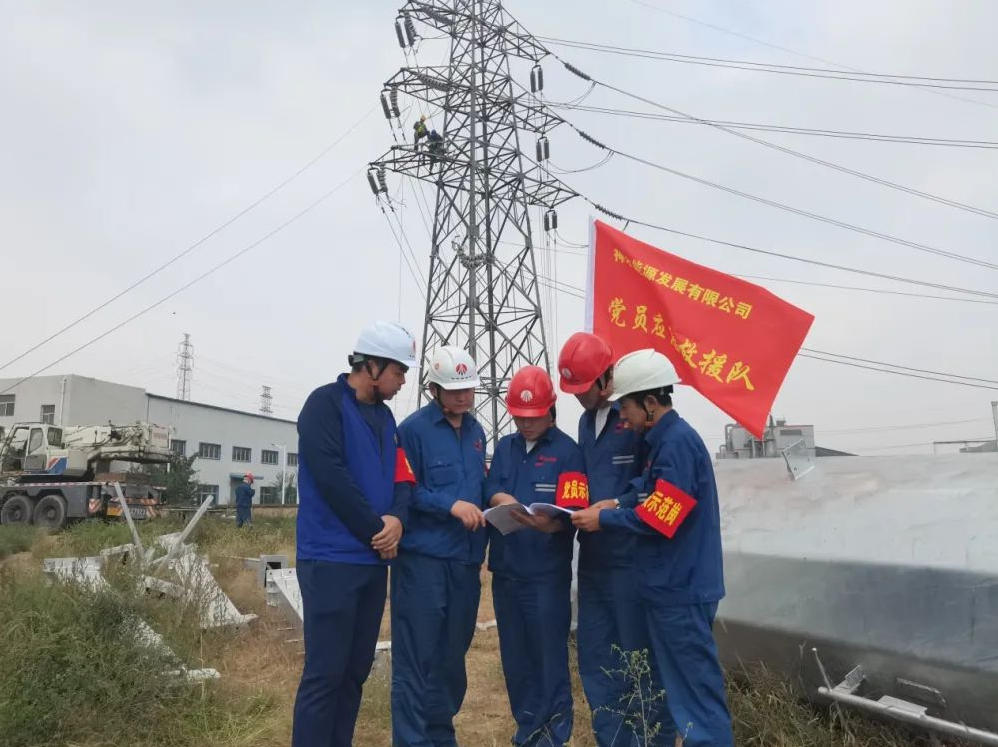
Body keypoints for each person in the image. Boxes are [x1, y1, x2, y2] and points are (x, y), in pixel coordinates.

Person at [571, 349, 732, 747]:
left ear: (649, 402)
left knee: (696, 699)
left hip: (682, 588)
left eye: (625, 407)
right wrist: (615, 502)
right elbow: (647, 491)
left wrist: (605, 519)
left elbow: (662, 516)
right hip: (669, 586)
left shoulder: (677, 444)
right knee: (682, 692)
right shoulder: (661, 442)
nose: (622, 418)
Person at [291, 321, 418, 747]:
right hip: (330, 560)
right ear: (373, 366)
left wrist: (397, 519)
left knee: (354, 673)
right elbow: (332, 477)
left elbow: (403, 478)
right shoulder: (324, 405)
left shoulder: (386, 418)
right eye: (399, 371)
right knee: (325, 674)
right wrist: (377, 529)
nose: (402, 382)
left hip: (372, 561)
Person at [557, 333, 671, 746]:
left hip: (631, 559)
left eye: (584, 388)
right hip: (594, 561)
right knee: (597, 659)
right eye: (572, 390)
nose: (578, 397)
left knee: (639, 658)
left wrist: (616, 505)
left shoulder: (636, 419)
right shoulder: (586, 423)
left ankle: (651, 740)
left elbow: (652, 484)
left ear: (607, 378)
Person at [485, 366, 587, 747]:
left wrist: (552, 525)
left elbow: (574, 511)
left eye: (534, 416)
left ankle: (553, 736)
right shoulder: (506, 449)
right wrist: (502, 499)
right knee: (516, 661)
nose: (526, 423)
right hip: (507, 572)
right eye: (519, 416)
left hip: (546, 576)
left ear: (550, 411)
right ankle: (526, 732)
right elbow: (491, 487)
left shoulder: (568, 453)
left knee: (548, 660)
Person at [392, 346, 488, 747]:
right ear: (434, 389)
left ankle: (440, 735)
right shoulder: (412, 431)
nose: (463, 397)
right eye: (454, 390)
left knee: (451, 659)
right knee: (416, 659)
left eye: (468, 389)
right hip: (424, 563)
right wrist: (450, 505)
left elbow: (479, 486)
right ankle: (412, 740)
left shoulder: (477, 432)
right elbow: (404, 492)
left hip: (465, 562)